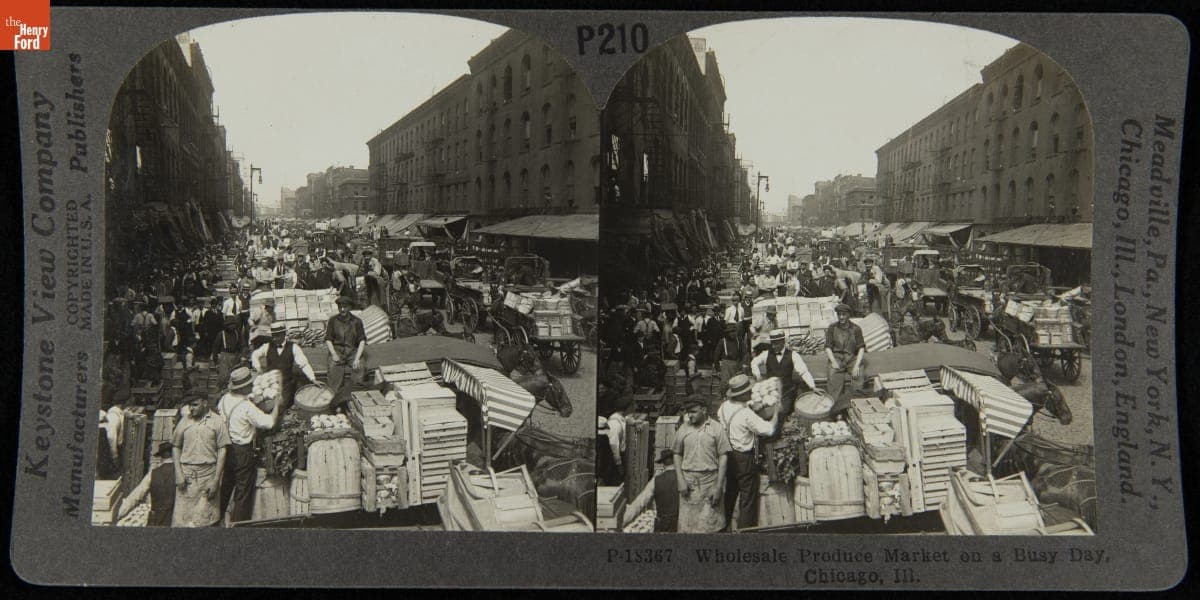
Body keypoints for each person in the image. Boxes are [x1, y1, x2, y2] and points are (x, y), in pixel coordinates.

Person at [216, 367, 282, 526]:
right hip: (242, 452)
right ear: (243, 387)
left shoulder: (224, 399)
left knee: (226, 486)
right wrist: (277, 406)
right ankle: (239, 527)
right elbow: (269, 423)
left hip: (227, 449)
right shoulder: (246, 407)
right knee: (243, 492)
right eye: (249, 385)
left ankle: (217, 521)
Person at [717, 374, 777, 530]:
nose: (751, 393)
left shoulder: (723, 407)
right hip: (744, 459)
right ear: (742, 395)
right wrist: (777, 412)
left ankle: (723, 527)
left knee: (730, 492)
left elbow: (738, 414)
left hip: (728, 456)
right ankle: (745, 532)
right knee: (747, 497)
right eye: (749, 391)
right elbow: (768, 430)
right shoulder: (746, 414)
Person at [671, 395, 730, 533]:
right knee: (688, 528)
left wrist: (718, 486)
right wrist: (680, 480)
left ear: (704, 410)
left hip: (710, 482)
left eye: (693, 412)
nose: (689, 415)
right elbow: (677, 453)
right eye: (687, 412)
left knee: (711, 527)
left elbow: (723, 456)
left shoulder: (716, 429)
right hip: (689, 485)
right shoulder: (683, 429)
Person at [171, 394, 230, 527]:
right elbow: (176, 447)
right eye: (190, 405)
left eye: (195, 405)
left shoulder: (217, 422)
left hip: (207, 478)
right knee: (183, 523)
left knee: (206, 522)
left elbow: (222, 450)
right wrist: (178, 474)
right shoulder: (184, 421)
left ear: (204, 403)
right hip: (187, 479)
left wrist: (216, 481)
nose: (191, 409)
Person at [250, 322, 318, 411]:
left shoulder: (294, 347)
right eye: (273, 336)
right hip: (269, 383)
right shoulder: (267, 346)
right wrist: (258, 368)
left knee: (280, 406)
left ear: (283, 334)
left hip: (286, 384)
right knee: (260, 403)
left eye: (277, 336)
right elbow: (255, 354)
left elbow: (304, 364)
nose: (274, 339)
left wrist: (313, 379)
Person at [116, 442, 177, 527]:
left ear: (161, 458)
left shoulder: (153, 474)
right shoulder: (181, 474)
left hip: (156, 520)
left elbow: (136, 496)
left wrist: (118, 514)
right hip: (174, 520)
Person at [325, 295, 367, 409]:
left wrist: (357, 359)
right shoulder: (333, 320)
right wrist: (333, 354)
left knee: (359, 369)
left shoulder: (357, 322)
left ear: (350, 307)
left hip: (352, 351)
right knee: (333, 369)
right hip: (337, 351)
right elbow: (328, 339)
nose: (342, 309)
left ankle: (354, 400)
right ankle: (335, 402)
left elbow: (362, 341)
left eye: (345, 307)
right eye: (340, 307)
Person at [824, 303, 866, 415]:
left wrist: (856, 366)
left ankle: (856, 407)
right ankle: (836, 409)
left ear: (849, 315)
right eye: (839, 314)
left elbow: (861, 348)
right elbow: (828, 347)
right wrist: (833, 362)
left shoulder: (856, 329)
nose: (841, 317)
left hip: (851, 357)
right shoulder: (832, 328)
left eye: (844, 314)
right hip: (837, 357)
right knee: (833, 376)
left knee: (859, 376)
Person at [604, 394, 630, 484]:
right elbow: (613, 445)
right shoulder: (615, 423)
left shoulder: (620, 419)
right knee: (616, 481)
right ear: (626, 409)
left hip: (620, 456)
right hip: (614, 460)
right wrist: (619, 465)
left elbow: (626, 420)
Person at [652, 450, 680, 533]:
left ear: (663, 464)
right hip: (680, 524)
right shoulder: (684, 479)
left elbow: (640, 502)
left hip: (662, 524)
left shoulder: (657, 480)